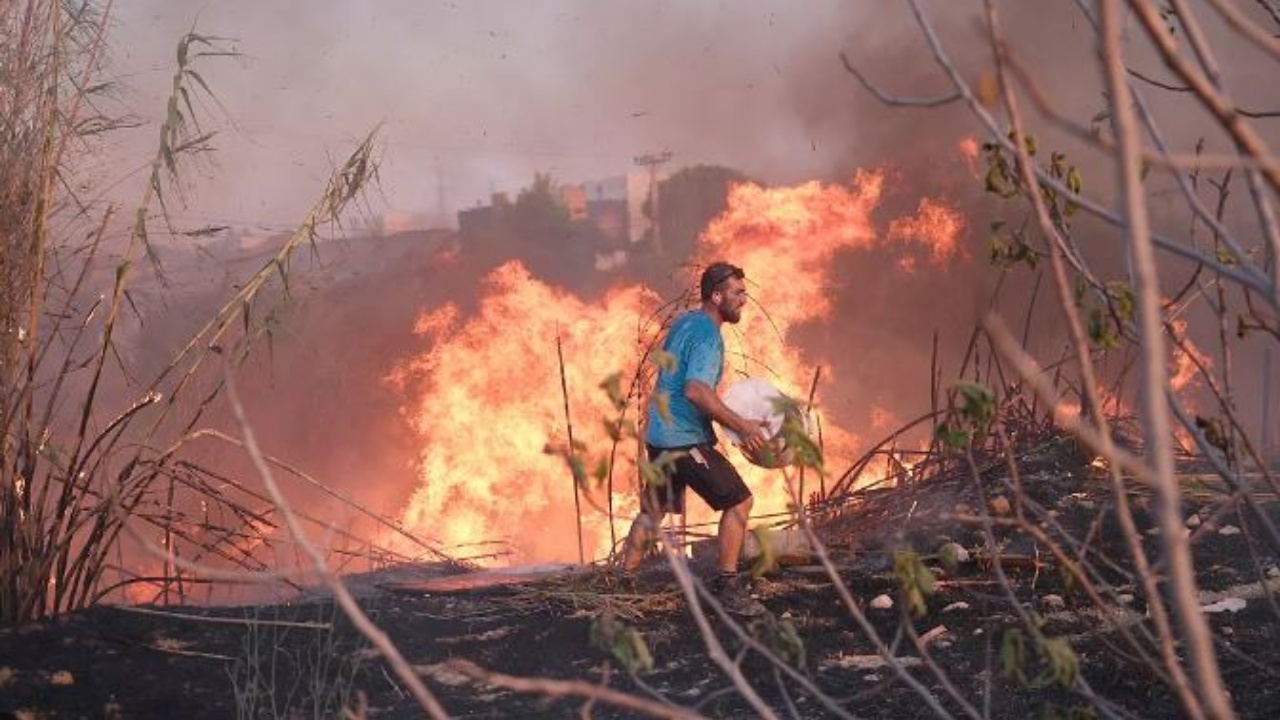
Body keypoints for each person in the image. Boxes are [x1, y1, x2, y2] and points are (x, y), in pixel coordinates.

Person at [620, 261, 770, 615]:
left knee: (653, 510)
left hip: (658, 432)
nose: (744, 300)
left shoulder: (685, 321)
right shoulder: (708, 335)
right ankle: (727, 585)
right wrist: (743, 426)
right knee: (740, 502)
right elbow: (696, 391)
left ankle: (622, 580)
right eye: (737, 293)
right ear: (717, 296)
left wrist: (727, 423)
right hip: (682, 439)